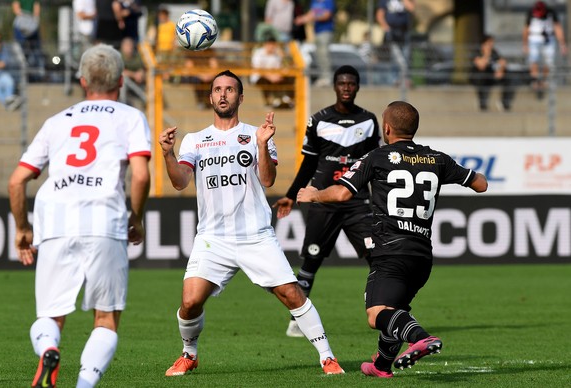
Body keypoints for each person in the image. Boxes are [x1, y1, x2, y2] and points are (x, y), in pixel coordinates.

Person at [158, 69, 345, 376]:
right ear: (210, 97)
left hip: (254, 235)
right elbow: (180, 182)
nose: (222, 94)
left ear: (240, 97)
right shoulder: (195, 140)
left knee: (292, 294)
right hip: (212, 238)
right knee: (190, 302)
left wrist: (261, 144)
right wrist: (168, 154)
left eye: (229, 89)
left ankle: (327, 357)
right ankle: (189, 354)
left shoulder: (256, 135)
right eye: (217, 89)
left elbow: (268, 180)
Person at [297, 101, 488, 378]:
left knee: (376, 314)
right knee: (395, 310)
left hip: (390, 251)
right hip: (422, 255)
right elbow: (480, 184)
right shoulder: (437, 159)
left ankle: (421, 338)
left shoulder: (377, 157)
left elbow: (341, 194)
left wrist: (313, 194)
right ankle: (381, 365)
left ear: (386, 128)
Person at [8, 43, 151, 388]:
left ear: (83, 81)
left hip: (55, 218)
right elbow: (141, 175)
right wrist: (136, 216)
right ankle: (84, 384)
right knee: (106, 318)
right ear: (119, 81)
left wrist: (23, 228)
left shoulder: (56, 121)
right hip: (103, 218)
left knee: (50, 315)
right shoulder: (129, 116)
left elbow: (17, 180)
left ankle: (48, 349)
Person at [272, 65, 380, 337]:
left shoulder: (368, 121)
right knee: (311, 260)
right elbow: (308, 163)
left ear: (357, 87)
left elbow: (375, 165)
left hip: (357, 201)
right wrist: (291, 193)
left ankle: (387, 310)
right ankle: (298, 320)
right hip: (323, 199)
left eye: (351, 83)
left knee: (377, 256)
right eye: (342, 83)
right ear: (334, 86)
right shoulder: (318, 120)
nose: (346, 87)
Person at [522, 0, 567, 99]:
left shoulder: (551, 13)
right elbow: (526, 29)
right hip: (534, 38)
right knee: (534, 59)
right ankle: (535, 80)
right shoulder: (531, 13)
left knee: (548, 60)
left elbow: (557, 28)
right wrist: (525, 44)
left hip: (548, 39)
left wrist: (562, 44)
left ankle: (544, 80)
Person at [294, 0, 336, 87]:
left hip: (326, 31)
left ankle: (327, 77)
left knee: (324, 54)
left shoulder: (328, 1)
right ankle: (322, 76)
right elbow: (311, 13)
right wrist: (302, 18)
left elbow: (326, 15)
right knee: (319, 54)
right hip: (317, 32)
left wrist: (311, 18)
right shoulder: (314, 2)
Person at [470, 35, 515, 112]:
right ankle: (483, 103)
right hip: (480, 77)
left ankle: (504, 102)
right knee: (482, 79)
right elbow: (481, 66)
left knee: (510, 78)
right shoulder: (477, 53)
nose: (491, 44)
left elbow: (503, 62)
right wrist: (486, 54)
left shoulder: (494, 52)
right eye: (489, 42)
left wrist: (500, 71)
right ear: (483, 44)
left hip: (492, 76)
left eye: (492, 42)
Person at [376, 0, 415, 85]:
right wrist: (386, 27)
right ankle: (395, 79)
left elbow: (411, 8)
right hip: (392, 33)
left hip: (404, 31)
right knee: (396, 57)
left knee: (406, 55)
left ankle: (405, 79)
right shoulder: (385, 1)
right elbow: (380, 15)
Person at [250, 35, 294, 109]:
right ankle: (268, 102)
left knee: (289, 79)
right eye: (269, 44)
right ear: (265, 44)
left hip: (274, 75)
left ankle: (287, 99)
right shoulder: (258, 53)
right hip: (260, 77)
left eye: (273, 44)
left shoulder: (277, 54)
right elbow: (258, 69)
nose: (271, 46)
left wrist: (283, 56)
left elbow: (283, 67)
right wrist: (270, 77)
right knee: (265, 82)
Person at [12, 0, 45, 80]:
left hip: (31, 25)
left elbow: (36, 10)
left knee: (36, 52)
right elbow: (16, 8)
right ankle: (23, 70)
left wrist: (32, 20)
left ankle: (39, 74)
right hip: (21, 25)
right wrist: (25, 17)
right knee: (20, 51)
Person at [0, 30, 22, 111]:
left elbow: (4, 63)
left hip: (2, 73)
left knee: (8, 81)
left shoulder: (4, 50)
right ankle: (7, 103)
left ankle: (8, 102)